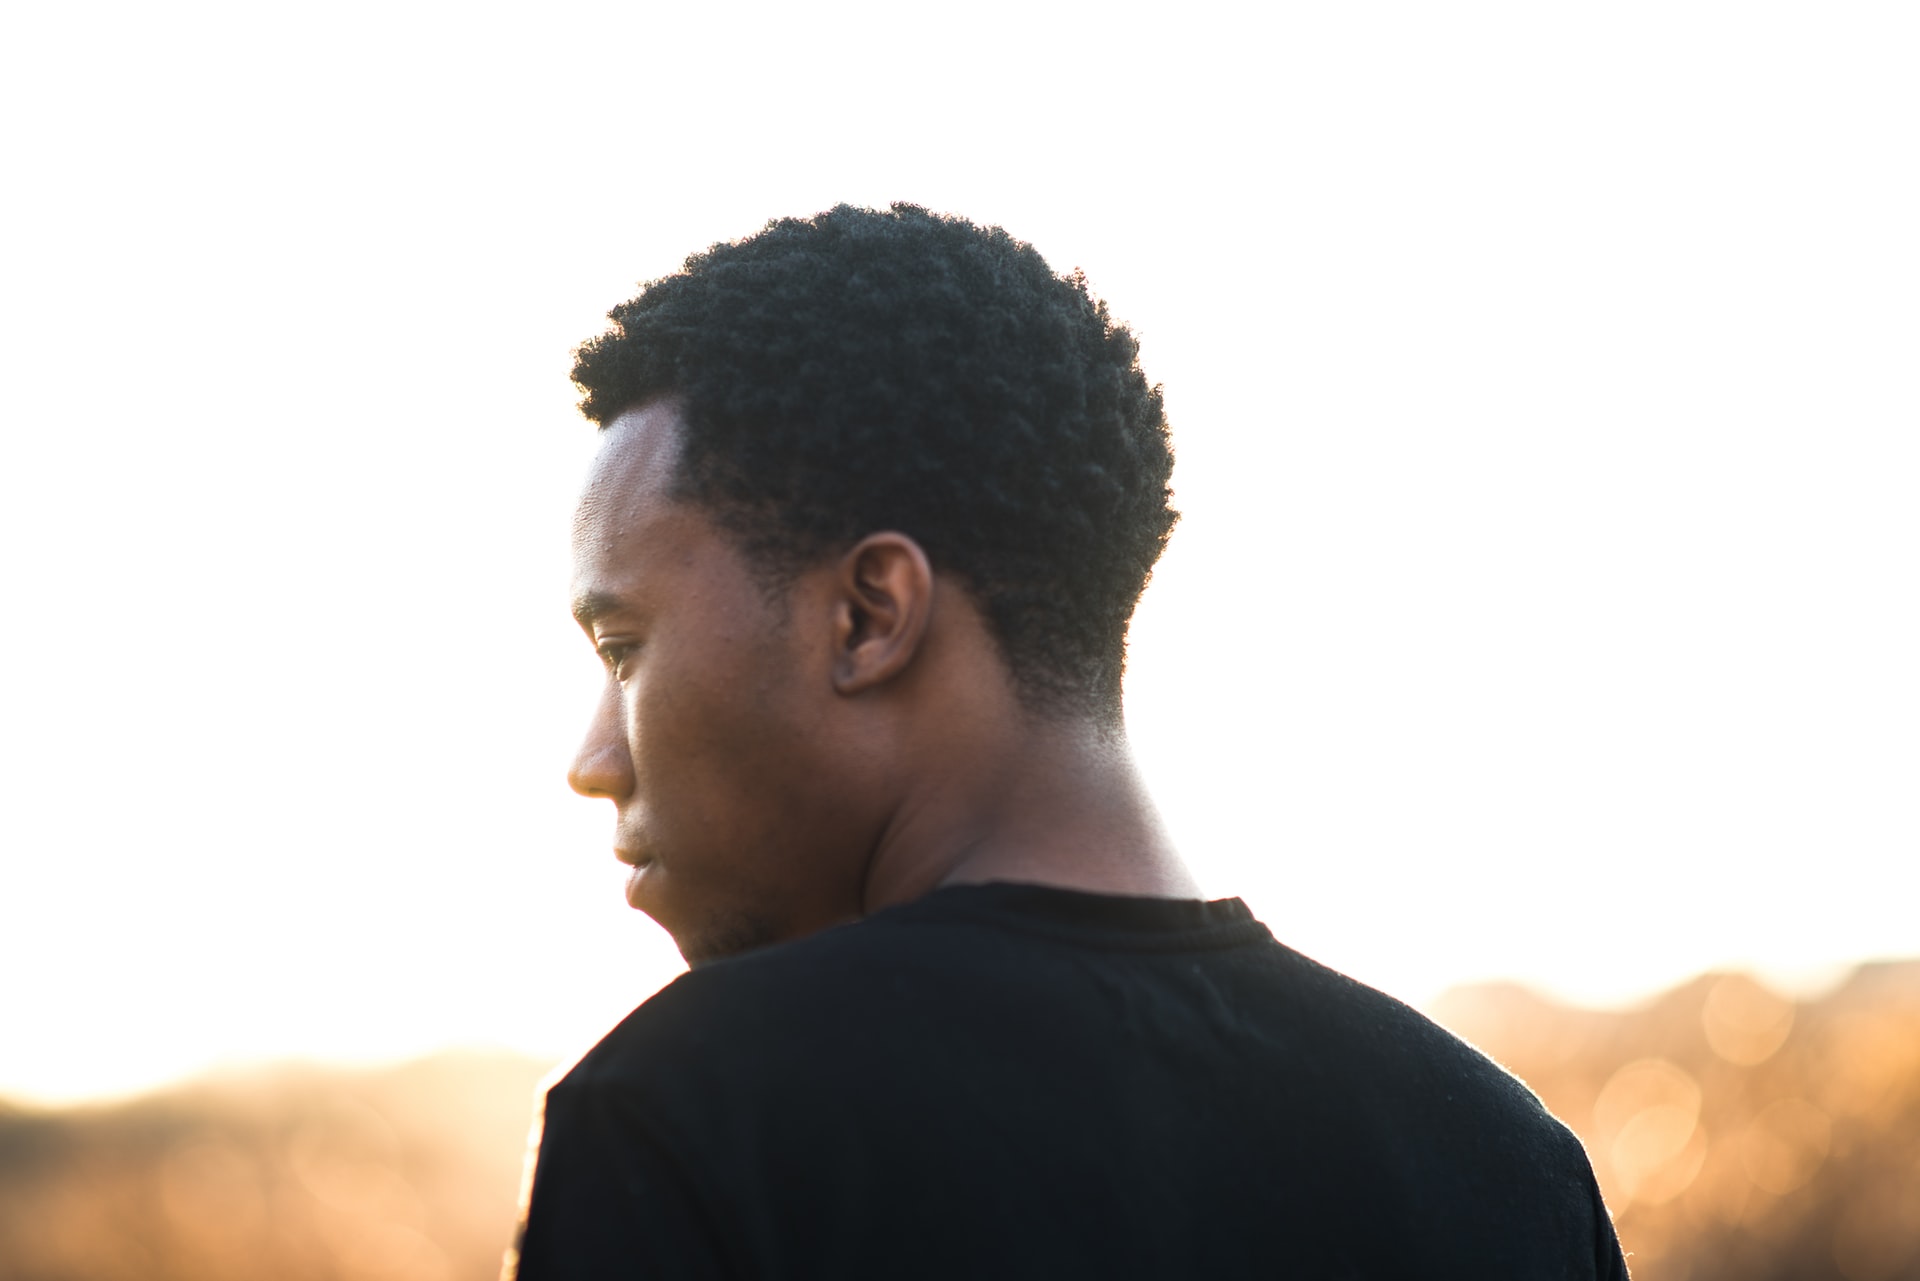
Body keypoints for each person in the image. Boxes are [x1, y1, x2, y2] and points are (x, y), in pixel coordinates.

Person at [506, 203, 1629, 1279]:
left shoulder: (689, 1120)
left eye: (622, 648)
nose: (592, 760)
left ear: (869, 615)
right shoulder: (1508, 1167)